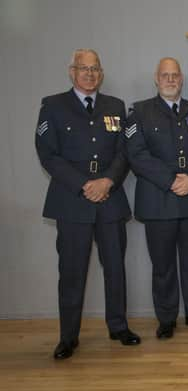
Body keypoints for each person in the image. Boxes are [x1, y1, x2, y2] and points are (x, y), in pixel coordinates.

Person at [35, 49, 140, 360]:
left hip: (110, 199)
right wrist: (85, 185)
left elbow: (125, 152)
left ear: (101, 73)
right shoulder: (53, 106)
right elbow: (47, 153)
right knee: (71, 272)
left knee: (115, 269)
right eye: (84, 69)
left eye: (95, 69)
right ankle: (68, 337)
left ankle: (118, 326)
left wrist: (107, 182)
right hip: (72, 202)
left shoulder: (116, 107)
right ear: (72, 71)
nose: (90, 74)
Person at [125, 58, 188, 340]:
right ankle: (166, 318)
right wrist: (171, 180)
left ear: (182, 79)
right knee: (163, 264)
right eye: (165, 75)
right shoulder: (140, 112)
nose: (170, 80)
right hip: (158, 200)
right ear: (156, 79)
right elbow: (136, 154)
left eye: (175, 75)